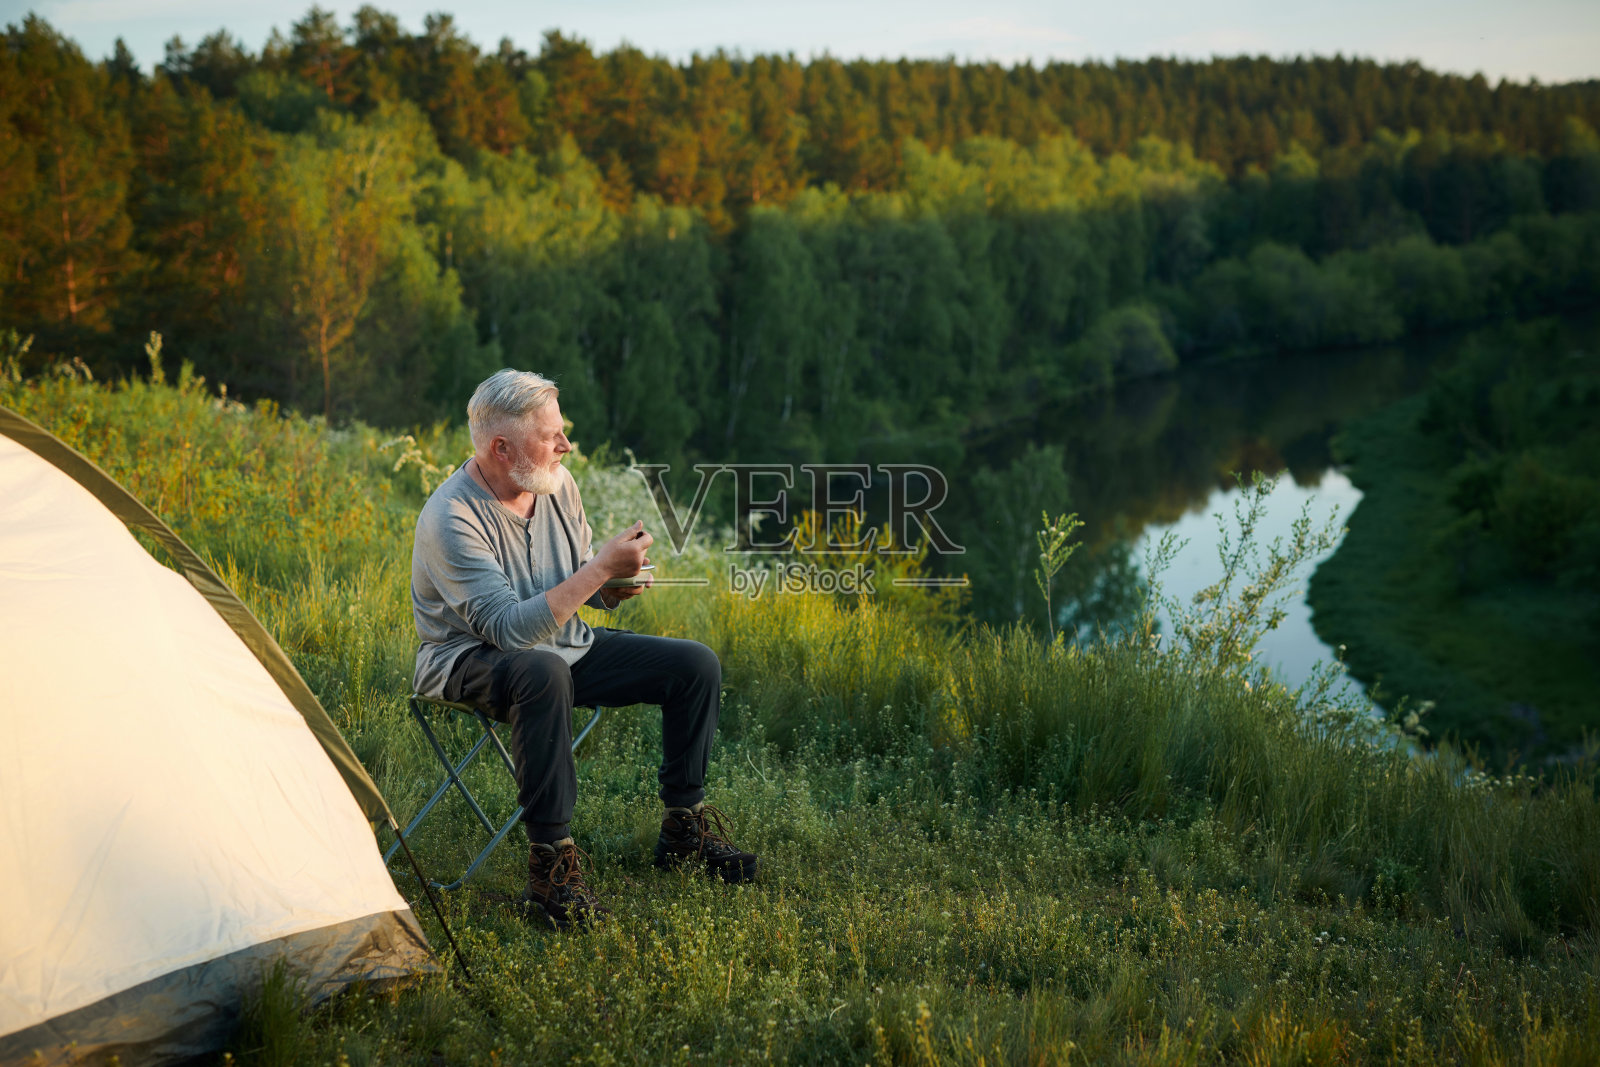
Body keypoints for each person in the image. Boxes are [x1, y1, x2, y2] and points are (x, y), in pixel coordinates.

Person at [410, 368, 757, 929]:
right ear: (501, 448)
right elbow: (507, 631)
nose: (567, 446)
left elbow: (574, 584)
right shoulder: (451, 517)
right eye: (552, 436)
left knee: (694, 664)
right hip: (467, 660)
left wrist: (614, 585)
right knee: (543, 672)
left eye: (562, 431)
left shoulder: (556, 484)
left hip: (562, 646)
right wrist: (597, 571)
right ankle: (551, 874)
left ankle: (683, 833)